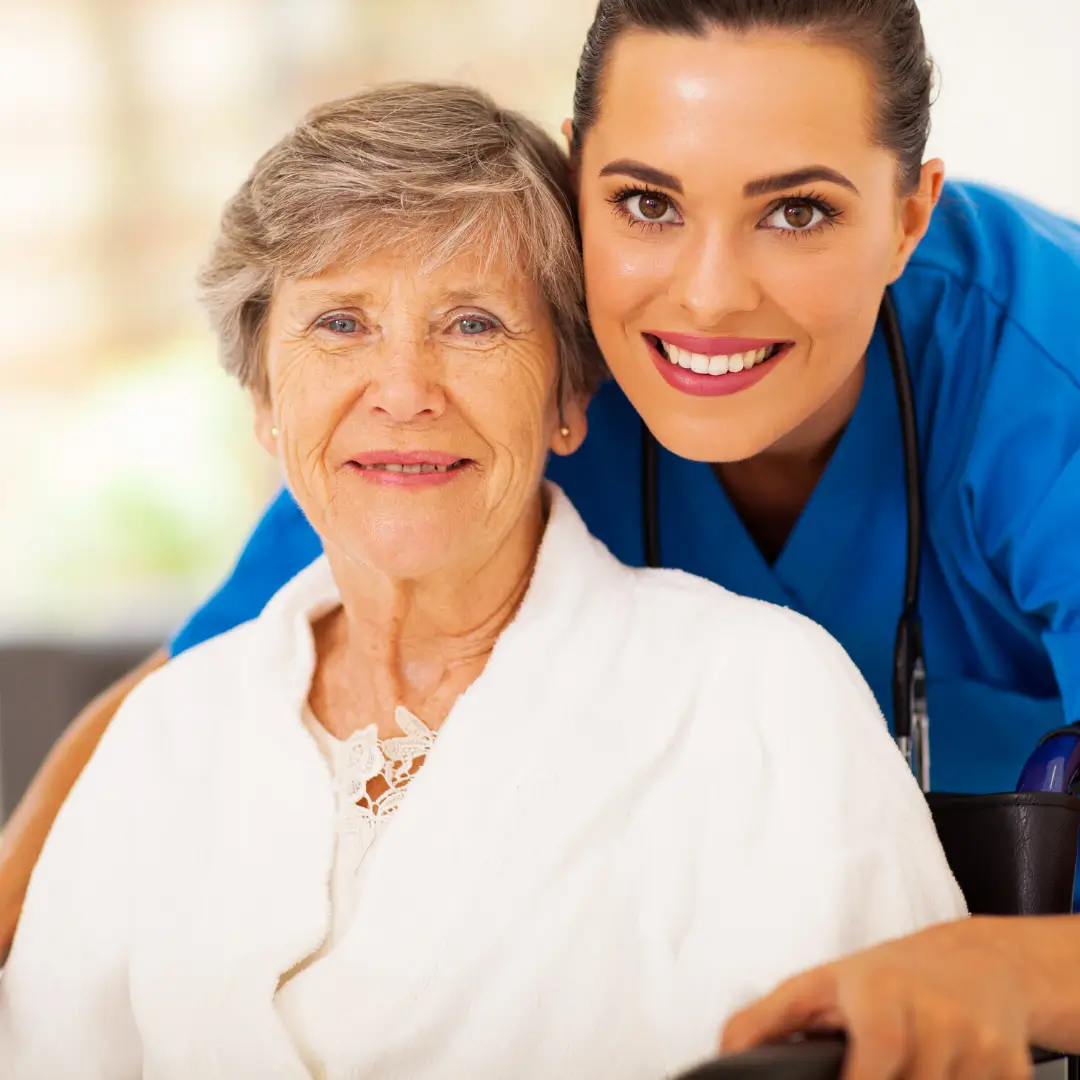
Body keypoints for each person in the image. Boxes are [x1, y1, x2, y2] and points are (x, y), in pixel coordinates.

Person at [3, 0, 1080, 1073]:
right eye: (648, 201)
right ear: (580, 180)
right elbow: (191, 695)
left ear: (908, 215)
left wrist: (1009, 969)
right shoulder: (471, 404)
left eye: (797, 211)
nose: (706, 296)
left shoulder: (1041, 377)